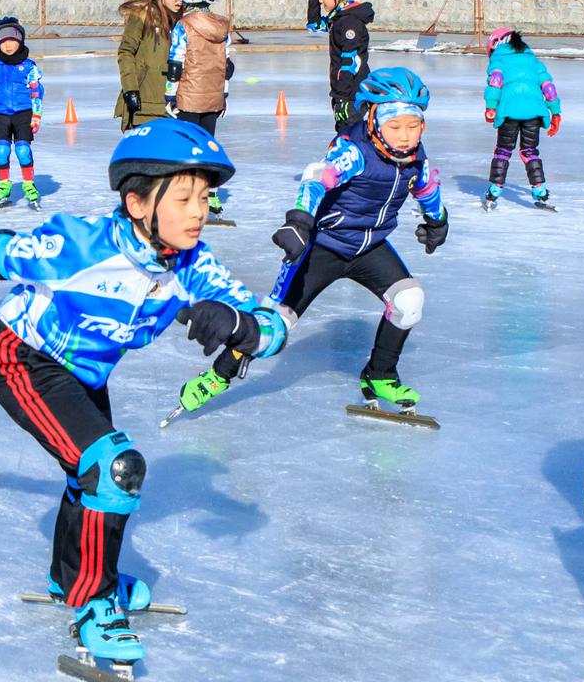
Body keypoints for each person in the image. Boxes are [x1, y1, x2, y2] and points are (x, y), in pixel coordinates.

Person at [0, 119, 285, 665]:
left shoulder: (194, 266)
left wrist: (244, 326)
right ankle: (95, 601)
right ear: (136, 202)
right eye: (184, 198)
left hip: (85, 375)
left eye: (205, 196)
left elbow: (272, 324)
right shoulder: (79, 245)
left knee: (88, 473)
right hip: (24, 359)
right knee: (113, 467)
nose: (200, 210)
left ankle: (72, 579)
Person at [179, 67, 446, 420]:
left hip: (369, 248)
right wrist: (300, 221)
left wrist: (437, 220)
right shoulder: (354, 152)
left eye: (414, 126)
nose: (405, 136)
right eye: (395, 126)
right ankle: (218, 375)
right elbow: (316, 179)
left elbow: (427, 188)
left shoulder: (416, 159)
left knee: (409, 300)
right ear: (372, 121)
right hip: (322, 245)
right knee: (272, 327)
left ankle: (380, 374)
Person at [164, 0, 234, 213]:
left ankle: (186, 193)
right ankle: (211, 194)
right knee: (208, 143)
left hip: (189, 96)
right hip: (213, 96)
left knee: (187, 145)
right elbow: (226, 66)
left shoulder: (183, 26)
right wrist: (224, 95)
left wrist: (170, 95)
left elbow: (176, 63)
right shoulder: (223, 27)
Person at [481, 28, 561, 209]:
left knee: (503, 150)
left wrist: (491, 107)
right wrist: (555, 112)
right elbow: (548, 87)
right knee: (530, 151)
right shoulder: (533, 60)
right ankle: (541, 191)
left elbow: (496, 81)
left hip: (509, 112)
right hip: (534, 113)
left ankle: (494, 191)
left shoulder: (499, 60)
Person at [0, 19, 46, 209]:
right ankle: (3, 184)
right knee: (1, 151)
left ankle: (28, 183)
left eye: (13, 40)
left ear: (21, 41)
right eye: (3, 40)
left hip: (23, 113)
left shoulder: (29, 67)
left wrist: (36, 116)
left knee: (23, 150)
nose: (8, 45)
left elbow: (36, 94)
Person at [307, 0, 372, 130]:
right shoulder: (337, 18)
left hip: (352, 96)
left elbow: (349, 62)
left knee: (350, 140)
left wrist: (342, 99)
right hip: (343, 95)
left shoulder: (349, 22)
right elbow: (314, 25)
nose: (321, 0)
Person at [116, 0, 182, 129]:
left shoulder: (183, 22)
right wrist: (130, 90)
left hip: (174, 103)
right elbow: (126, 53)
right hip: (144, 101)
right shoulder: (142, 16)